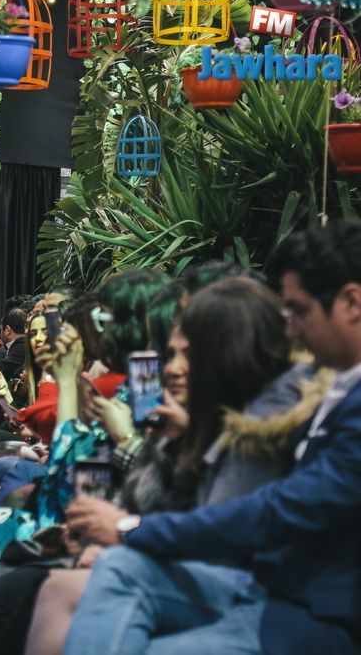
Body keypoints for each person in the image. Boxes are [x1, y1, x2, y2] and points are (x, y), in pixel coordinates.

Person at [65, 221, 361, 654]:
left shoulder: (293, 402)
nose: (292, 331)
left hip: (311, 612)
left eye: (298, 312)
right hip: (267, 589)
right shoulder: (321, 388)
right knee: (118, 568)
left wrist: (129, 526)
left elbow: (278, 510)